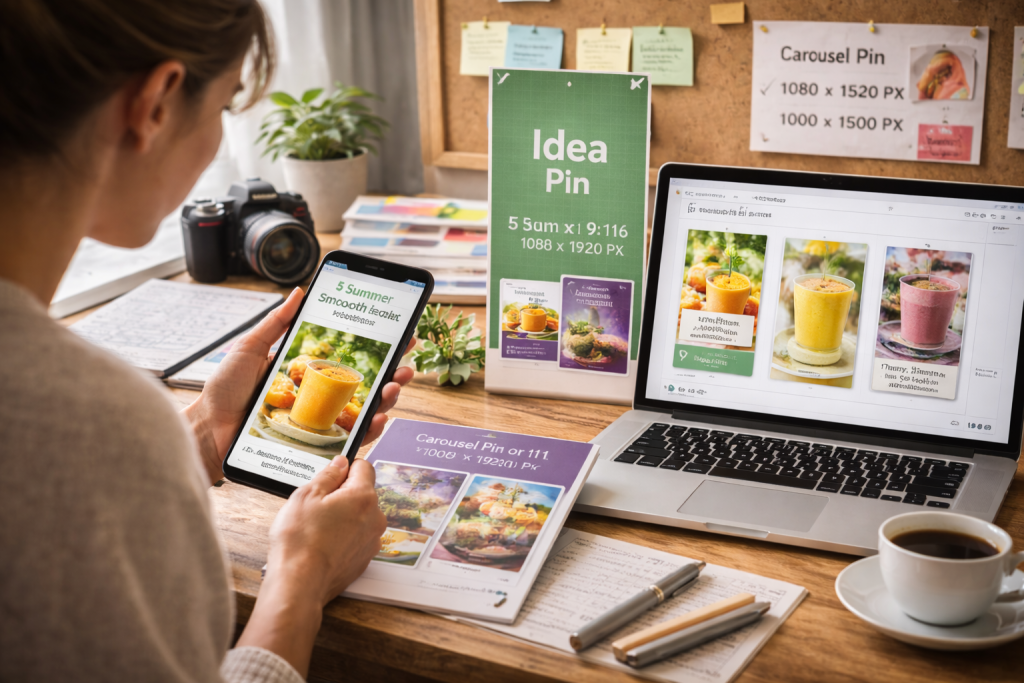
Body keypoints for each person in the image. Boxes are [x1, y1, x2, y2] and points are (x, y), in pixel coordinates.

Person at [0, 1, 403, 681]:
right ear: (155, 104)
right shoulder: (90, 419)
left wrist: (203, 435)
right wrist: (303, 576)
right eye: (223, 106)